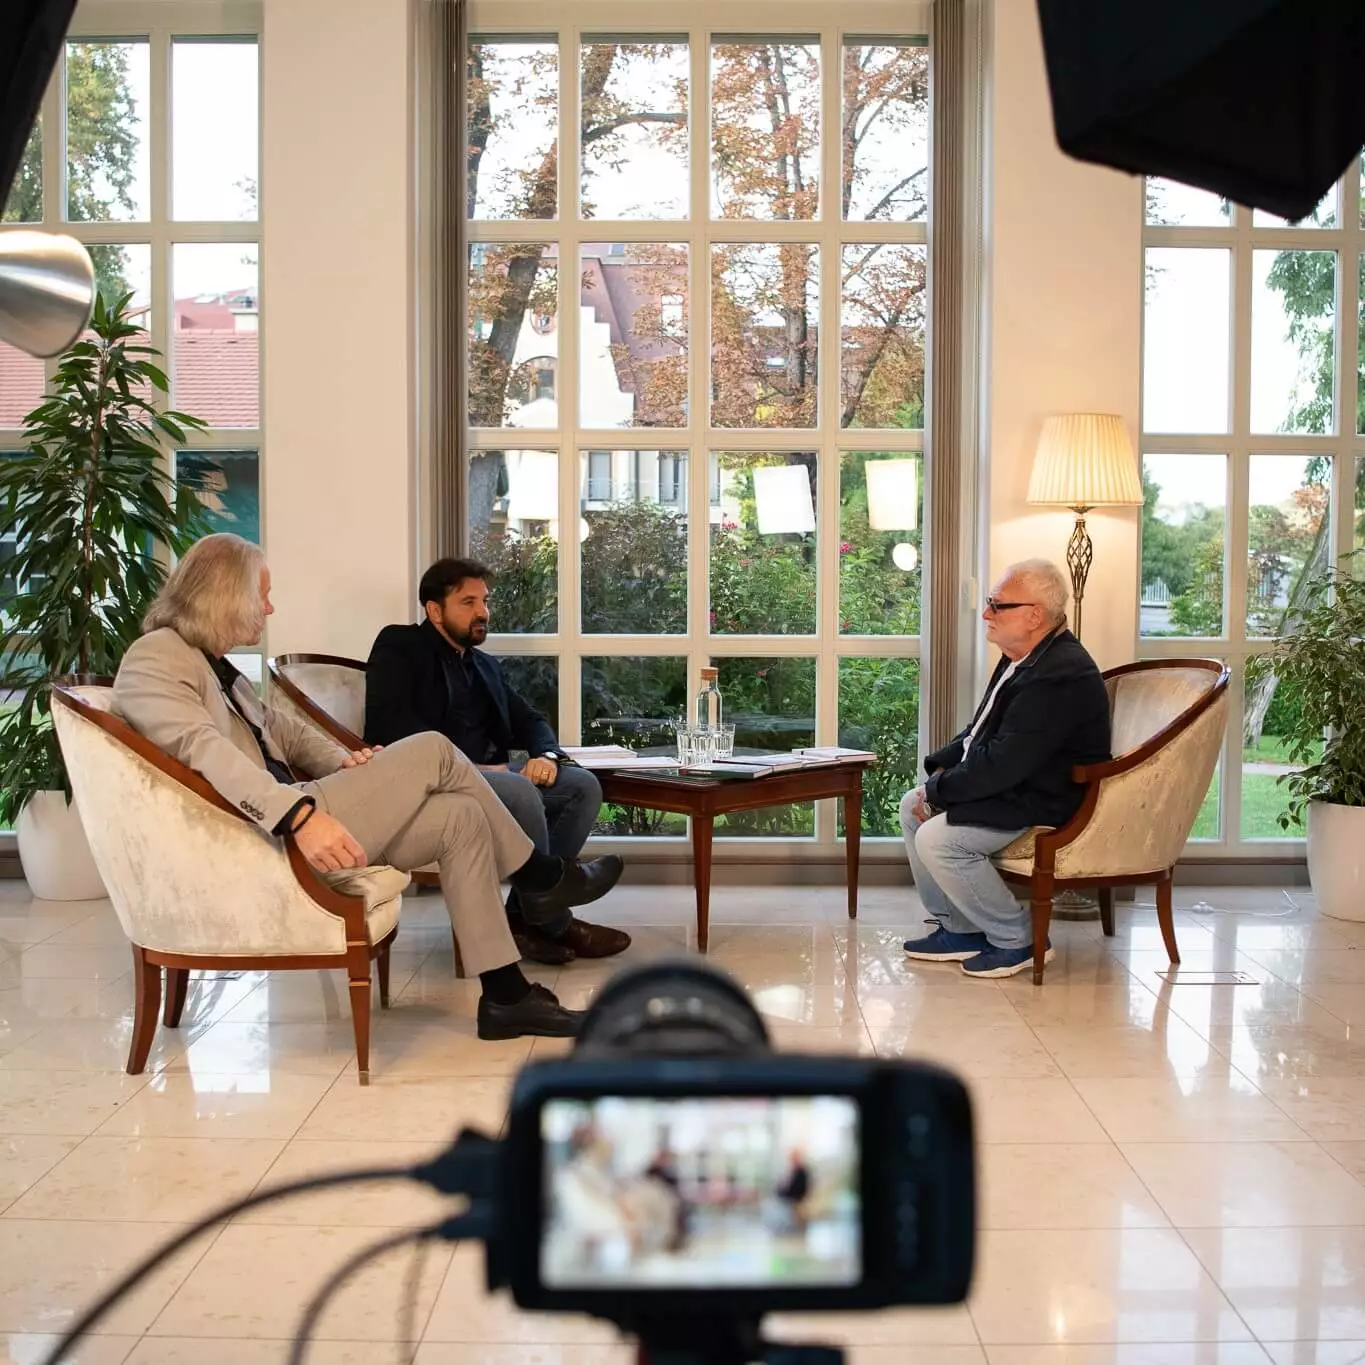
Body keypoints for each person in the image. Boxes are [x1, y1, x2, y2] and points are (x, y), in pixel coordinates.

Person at [113, 533, 606, 1040]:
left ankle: (506, 998)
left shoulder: (215, 667)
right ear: (225, 594)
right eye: (262, 595)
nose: (270, 608)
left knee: (460, 818)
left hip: (292, 811)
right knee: (434, 748)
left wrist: (345, 760)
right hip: (266, 832)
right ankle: (540, 876)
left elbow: (283, 730)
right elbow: (203, 750)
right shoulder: (158, 656)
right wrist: (299, 817)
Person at [364, 557, 629, 967]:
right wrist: (474, 770)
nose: (483, 612)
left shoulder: (484, 664)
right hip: (431, 783)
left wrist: (546, 755)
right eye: (468, 602)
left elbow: (530, 719)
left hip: (494, 777)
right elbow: (391, 726)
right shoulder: (399, 646)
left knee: (582, 786)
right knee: (520, 790)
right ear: (434, 610)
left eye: (485, 601)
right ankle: (554, 921)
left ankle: (525, 916)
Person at [900, 558, 1111, 979]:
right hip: (1015, 784)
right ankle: (960, 929)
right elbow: (978, 733)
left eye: (997, 605)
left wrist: (941, 792)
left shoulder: (1059, 673)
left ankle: (1019, 938)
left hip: (1040, 798)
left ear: (1034, 616)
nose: (986, 613)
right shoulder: (1024, 657)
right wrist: (938, 776)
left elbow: (1005, 761)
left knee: (940, 840)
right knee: (912, 805)